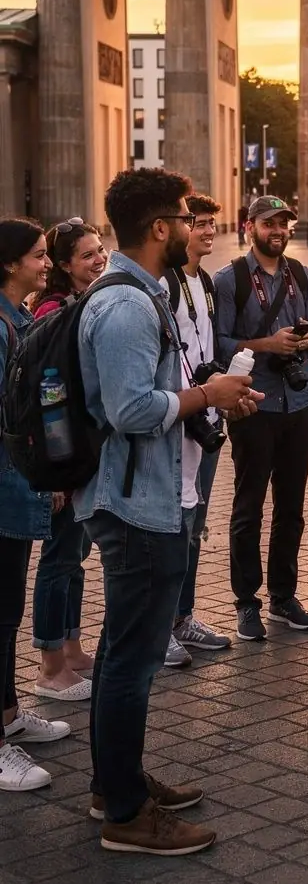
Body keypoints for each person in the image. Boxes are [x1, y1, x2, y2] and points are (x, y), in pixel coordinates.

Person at [75, 169, 261, 855]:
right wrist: (205, 397)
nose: (195, 226)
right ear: (160, 229)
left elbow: (159, 390)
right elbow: (129, 410)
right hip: (136, 504)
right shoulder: (125, 304)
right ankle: (125, 814)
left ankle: (113, 782)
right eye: (186, 216)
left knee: (128, 654)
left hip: (152, 492)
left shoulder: (144, 291)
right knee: (132, 660)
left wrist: (211, 395)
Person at [214, 194, 308, 640]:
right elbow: (220, 343)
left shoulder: (300, 274)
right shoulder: (231, 279)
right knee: (248, 508)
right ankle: (246, 602)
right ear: (249, 227)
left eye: (283, 224)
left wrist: (306, 343)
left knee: (292, 508)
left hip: (299, 403)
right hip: (252, 404)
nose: (277, 231)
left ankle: (283, 596)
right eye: (268, 224)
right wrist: (267, 346)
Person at [0, 219, 73, 793]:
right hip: (3, 486)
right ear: (8, 263)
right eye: (38, 255)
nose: (46, 263)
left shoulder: (21, 319)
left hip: (18, 483)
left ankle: (9, 716)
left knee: (7, 613)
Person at [29, 219, 107, 700]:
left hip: (82, 452)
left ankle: (73, 647)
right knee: (58, 559)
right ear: (63, 265)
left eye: (101, 250)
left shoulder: (83, 303)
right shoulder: (55, 313)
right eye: (86, 255)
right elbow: (50, 395)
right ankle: (50, 665)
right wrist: (57, 470)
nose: (98, 259)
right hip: (64, 457)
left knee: (75, 555)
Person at [162, 194, 232, 667]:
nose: (208, 231)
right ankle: (160, 626)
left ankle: (183, 616)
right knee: (173, 522)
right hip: (176, 414)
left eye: (212, 224)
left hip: (206, 415)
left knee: (196, 523)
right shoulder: (165, 282)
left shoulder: (204, 281)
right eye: (200, 223)